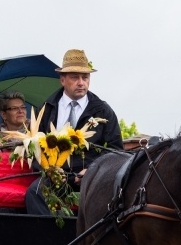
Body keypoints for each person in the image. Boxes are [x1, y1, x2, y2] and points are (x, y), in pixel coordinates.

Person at [25, 48, 123, 215]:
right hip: (55, 176)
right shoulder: (47, 108)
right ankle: (56, 239)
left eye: (85, 77)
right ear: (62, 80)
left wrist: (93, 169)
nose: (81, 82)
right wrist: (49, 170)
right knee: (35, 193)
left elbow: (117, 151)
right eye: (74, 77)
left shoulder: (103, 110)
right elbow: (33, 147)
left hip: (92, 177)